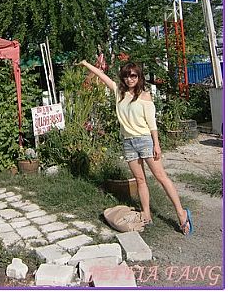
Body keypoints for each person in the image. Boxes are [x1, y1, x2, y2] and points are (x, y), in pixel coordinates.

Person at [78, 59, 194, 236]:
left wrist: (156, 144)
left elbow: (152, 123)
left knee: (161, 177)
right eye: (126, 75)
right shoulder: (119, 93)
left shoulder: (145, 96)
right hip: (129, 143)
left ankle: (181, 212)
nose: (129, 79)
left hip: (145, 140)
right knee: (140, 180)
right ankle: (146, 215)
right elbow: (102, 75)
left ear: (139, 77)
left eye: (133, 75)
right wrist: (86, 64)